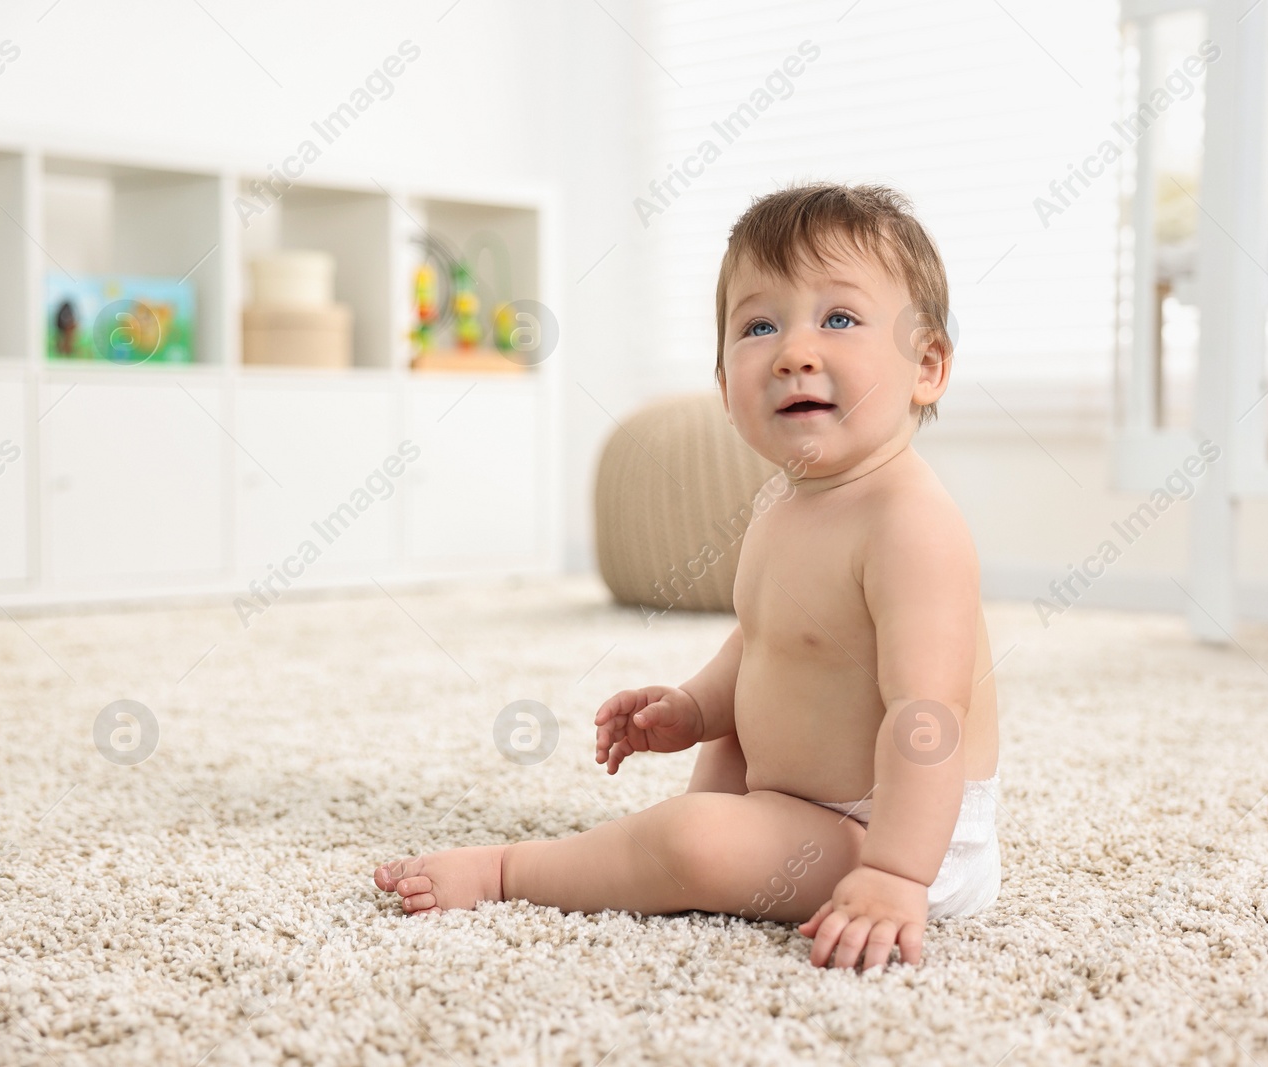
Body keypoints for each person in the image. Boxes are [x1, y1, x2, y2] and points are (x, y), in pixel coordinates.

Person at [376, 183, 1002, 972]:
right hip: (801, 801)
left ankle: (511, 868)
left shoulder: (911, 523)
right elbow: (771, 636)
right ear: (723, 386)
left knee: (690, 837)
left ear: (928, 365)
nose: (794, 350)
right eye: (759, 325)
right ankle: (701, 838)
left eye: (839, 318)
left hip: (898, 827)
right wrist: (696, 707)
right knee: (728, 750)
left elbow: (929, 714)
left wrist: (893, 875)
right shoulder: (784, 499)